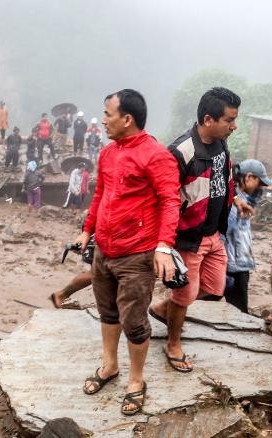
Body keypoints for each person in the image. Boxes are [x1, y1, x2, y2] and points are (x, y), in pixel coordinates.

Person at [75, 89, 180, 415]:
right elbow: (100, 195)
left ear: (127, 119)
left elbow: (170, 201)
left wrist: (163, 246)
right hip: (104, 251)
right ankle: (110, 366)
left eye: (108, 114)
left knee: (134, 322)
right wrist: (87, 230)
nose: (104, 120)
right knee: (107, 312)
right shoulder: (108, 153)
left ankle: (136, 381)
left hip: (136, 255)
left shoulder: (156, 155)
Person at [149, 87, 252, 373]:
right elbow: (166, 200)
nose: (234, 126)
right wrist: (164, 246)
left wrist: (236, 200)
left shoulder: (221, 143)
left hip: (213, 234)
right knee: (184, 295)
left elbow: (223, 179)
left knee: (213, 287)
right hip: (189, 238)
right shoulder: (182, 152)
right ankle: (173, 344)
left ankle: (162, 309)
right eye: (229, 120)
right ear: (209, 119)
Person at [223, 160, 271, 313]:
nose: (261, 188)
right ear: (249, 177)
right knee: (238, 310)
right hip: (233, 266)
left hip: (239, 264)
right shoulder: (235, 201)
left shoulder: (244, 199)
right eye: (259, 182)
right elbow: (227, 233)